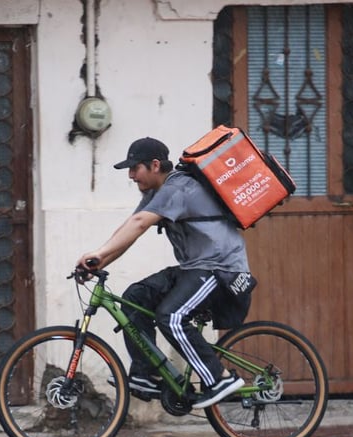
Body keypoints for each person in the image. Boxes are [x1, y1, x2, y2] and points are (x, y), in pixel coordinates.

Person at [77, 137, 256, 409]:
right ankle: (146, 374)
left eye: (135, 168)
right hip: (194, 268)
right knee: (134, 298)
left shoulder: (178, 189)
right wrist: (98, 262)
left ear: (155, 165)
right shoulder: (156, 194)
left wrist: (98, 254)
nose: (130, 175)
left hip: (221, 269)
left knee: (171, 316)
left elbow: (138, 224)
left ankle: (220, 378)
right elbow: (130, 231)